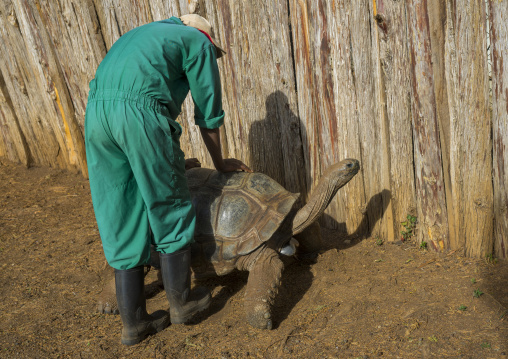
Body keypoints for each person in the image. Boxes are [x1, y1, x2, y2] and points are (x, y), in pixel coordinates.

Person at [84, 14, 251, 346]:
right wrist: (219, 161)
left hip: (96, 118)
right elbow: (208, 114)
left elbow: (123, 94)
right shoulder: (197, 41)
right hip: (139, 118)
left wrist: (163, 160)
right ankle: (182, 304)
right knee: (169, 205)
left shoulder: (143, 35)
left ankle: (134, 323)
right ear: (204, 36)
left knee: (120, 209)